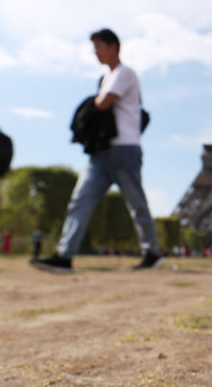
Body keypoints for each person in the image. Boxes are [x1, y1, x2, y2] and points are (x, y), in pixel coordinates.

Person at [32, 29, 163, 273]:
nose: (96, 53)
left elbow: (103, 103)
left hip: (124, 149)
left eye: (99, 47)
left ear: (113, 47)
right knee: (80, 201)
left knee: (136, 204)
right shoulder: (107, 77)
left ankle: (152, 252)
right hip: (102, 151)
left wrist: (88, 105)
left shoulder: (125, 73)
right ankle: (65, 255)